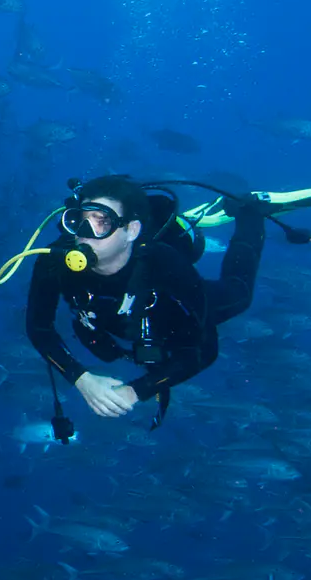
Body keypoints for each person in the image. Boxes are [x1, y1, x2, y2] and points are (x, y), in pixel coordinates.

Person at [23, 175, 268, 421]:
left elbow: (203, 351)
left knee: (239, 294)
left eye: (103, 222)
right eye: (80, 220)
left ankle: (251, 214)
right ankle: (185, 223)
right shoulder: (53, 260)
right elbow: (38, 327)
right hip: (116, 319)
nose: (85, 234)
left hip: (167, 310)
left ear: (131, 230)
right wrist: (82, 379)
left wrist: (137, 391)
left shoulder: (165, 265)